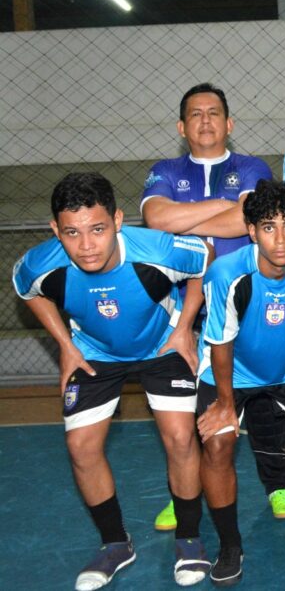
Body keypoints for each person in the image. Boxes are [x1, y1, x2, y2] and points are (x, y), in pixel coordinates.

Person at [13, 172, 210, 589]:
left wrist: (184, 328)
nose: (86, 246)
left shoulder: (155, 250)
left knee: (179, 437)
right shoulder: (41, 263)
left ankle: (189, 539)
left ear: (118, 220)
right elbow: (28, 291)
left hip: (161, 344)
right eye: (72, 233)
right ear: (56, 230)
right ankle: (115, 543)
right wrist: (65, 345)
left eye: (98, 229)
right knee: (81, 446)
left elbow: (204, 257)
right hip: (95, 352)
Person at [142, 83, 285, 526]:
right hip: (183, 314)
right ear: (181, 126)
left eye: (214, 113)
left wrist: (186, 224)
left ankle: (281, 486)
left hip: (249, 308)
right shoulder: (166, 170)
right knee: (190, 411)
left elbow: (250, 216)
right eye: (195, 114)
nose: (205, 121)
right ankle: (185, 492)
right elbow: (156, 218)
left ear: (229, 124)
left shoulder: (251, 167)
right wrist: (225, 208)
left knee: (265, 401)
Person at [196, 180, 285, 584]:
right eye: (268, 226)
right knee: (219, 441)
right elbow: (221, 343)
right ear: (251, 231)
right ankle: (230, 546)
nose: (280, 238)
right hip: (231, 370)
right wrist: (225, 403)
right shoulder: (227, 273)